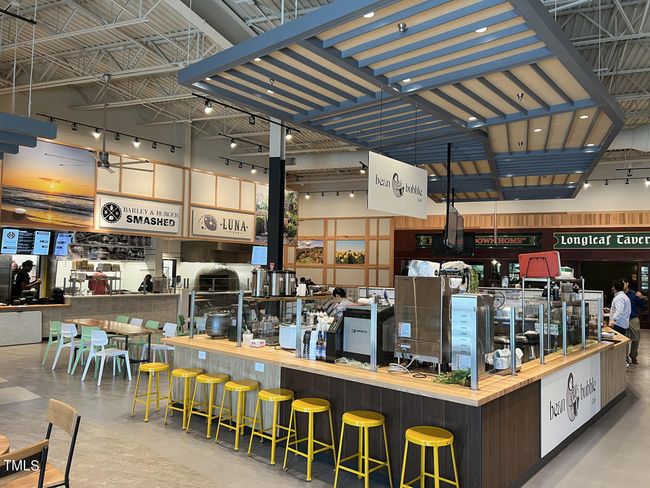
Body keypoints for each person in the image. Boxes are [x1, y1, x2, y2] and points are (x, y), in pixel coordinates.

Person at [623, 278, 644, 364]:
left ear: (627, 283)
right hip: (622, 319)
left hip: (633, 318)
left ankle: (633, 355)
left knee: (636, 339)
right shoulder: (619, 294)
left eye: (624, 283)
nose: (623, 285)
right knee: (624, 340)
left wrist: (641, 298)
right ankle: (625, 358)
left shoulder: (634, 294)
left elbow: (642, 306)